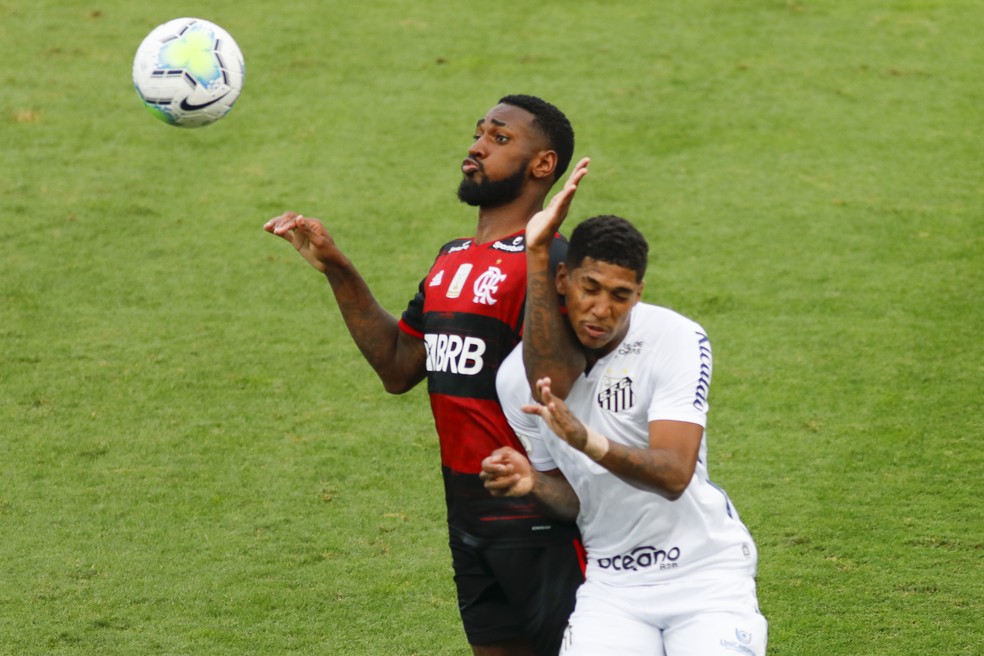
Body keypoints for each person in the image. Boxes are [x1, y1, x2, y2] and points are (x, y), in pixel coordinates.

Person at [264, 95, 584, 656]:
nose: (476, 145)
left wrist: (538, 258)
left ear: (543, 166)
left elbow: (558, 376)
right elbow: (397, 365)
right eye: (479, 132)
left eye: (499, 138)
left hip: (540, 514)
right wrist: (338, 269)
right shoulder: (452, 259)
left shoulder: (554, 261)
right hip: (467, 511)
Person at [480, 168, 768, 655]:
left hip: (707, 577)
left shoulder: (675, 338)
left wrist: (585, 441)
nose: (601, 310)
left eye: (621, 296)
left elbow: (674, 474)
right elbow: (576, 501)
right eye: (590, 288)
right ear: (563, 281)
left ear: (639, 293)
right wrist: (531, 483)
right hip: (615, 588)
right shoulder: (514, 380)